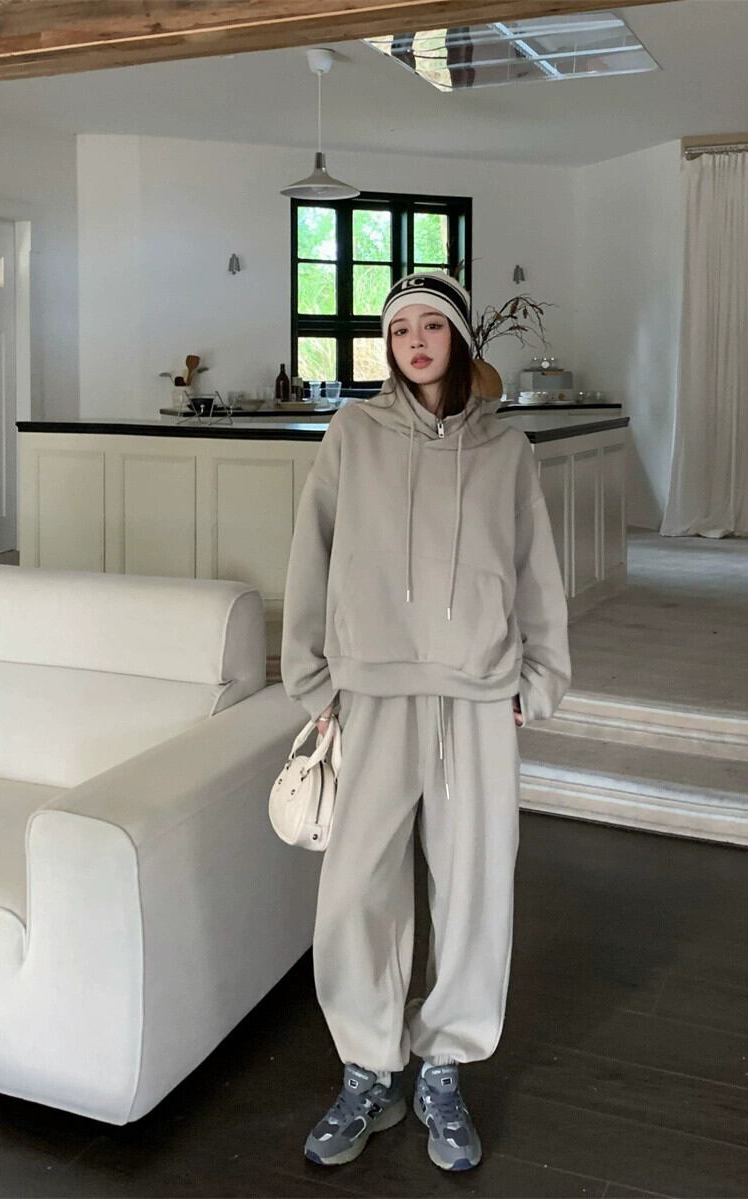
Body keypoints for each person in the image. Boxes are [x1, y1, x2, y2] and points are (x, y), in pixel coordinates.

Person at [280, 271, 571, 1172]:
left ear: (458, 338)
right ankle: (370, 1067)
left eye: (431, 324)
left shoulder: (509, 450)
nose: (414, 338)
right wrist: (312, 677)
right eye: (400, 325)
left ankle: (444, 1063)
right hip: (371, 689)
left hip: (477, 695)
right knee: (355, 889)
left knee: (477, 888)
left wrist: (540, 678)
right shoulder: (352, 434)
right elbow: (312, 551)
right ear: (388, 343)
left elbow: (535, 570)